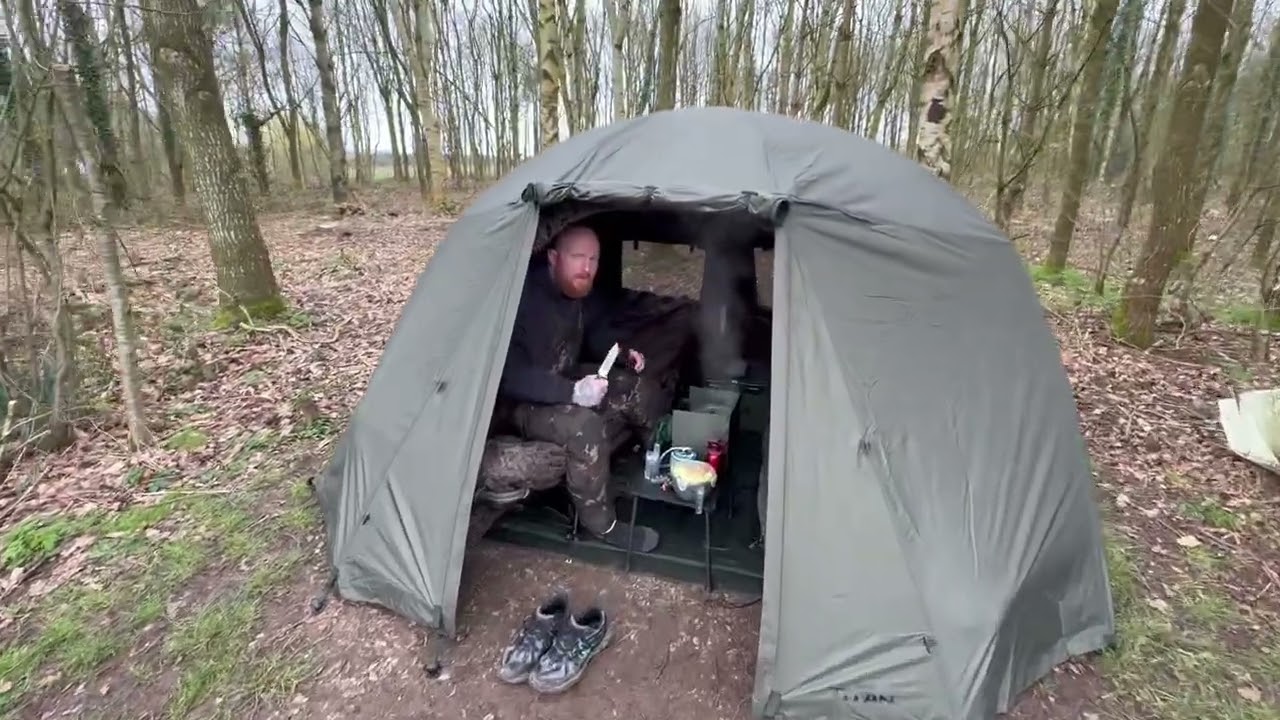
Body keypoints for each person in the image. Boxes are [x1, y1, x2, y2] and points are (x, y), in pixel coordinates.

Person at [496, 224, 663, 553]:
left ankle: (657, 462)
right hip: (521, 402)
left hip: (565, 377)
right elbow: (509, 375)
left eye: (593, 259)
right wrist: (572, 393)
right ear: (554, 257)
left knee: (633, 387)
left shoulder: (577, 289)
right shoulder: (522, 298)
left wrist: (622, 355)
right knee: (584, 426)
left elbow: (593, 332)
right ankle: (601, 525)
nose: (587, 267)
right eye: (577, 257)